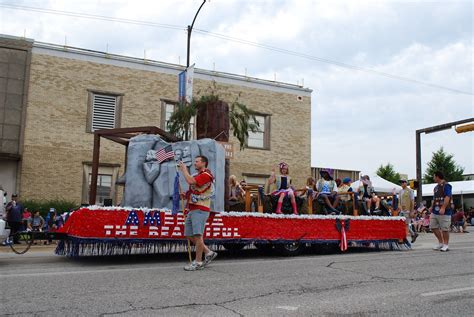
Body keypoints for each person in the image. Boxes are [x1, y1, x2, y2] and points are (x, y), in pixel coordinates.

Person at [178, 155, 217, 271]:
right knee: (189, 234)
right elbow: (194, 190)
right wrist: (185, 196)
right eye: (194, 161)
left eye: (197, 161)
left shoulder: (206, 175)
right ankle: (208, 252)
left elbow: (190, 181)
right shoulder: (199, 175)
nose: (195, 163)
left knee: (198, 235)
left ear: (204, 163)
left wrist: (184, 170)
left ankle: (198, 262)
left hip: (201, 209)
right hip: (193, 209)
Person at [430, 171, 453, 252]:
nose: (433, 178)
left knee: (445, 228)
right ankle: (440, 243)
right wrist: (431, 207)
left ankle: (446, 244)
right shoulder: (436, 187)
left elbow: (448, 197)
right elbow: (434, 198)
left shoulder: (447, 185)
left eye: (434, 176)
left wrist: (443, 207)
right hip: (435, 211)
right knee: (433, 227)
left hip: (445, 211)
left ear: (437, 177)